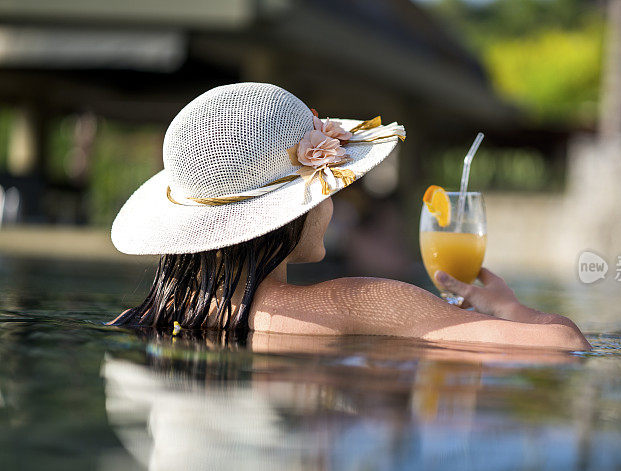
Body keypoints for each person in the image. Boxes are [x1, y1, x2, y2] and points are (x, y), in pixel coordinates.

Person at [108, 83, 590, 351]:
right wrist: (511, 310)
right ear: (293, 209)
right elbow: (563, 346)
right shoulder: (361, 301)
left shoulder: (144, 319)